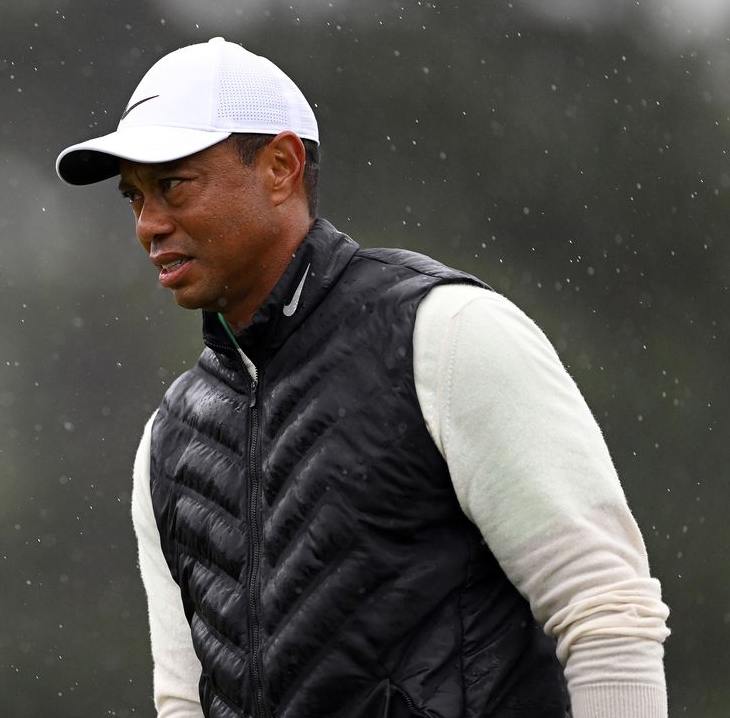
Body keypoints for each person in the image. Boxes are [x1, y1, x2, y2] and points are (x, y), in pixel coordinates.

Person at [55, 38, 670, 718]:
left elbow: (608, 613)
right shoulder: (168, 439)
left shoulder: (447, 334)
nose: (148, 225)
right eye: (134, 196)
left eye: (173, 185)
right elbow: (182, 704)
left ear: (281, 166)